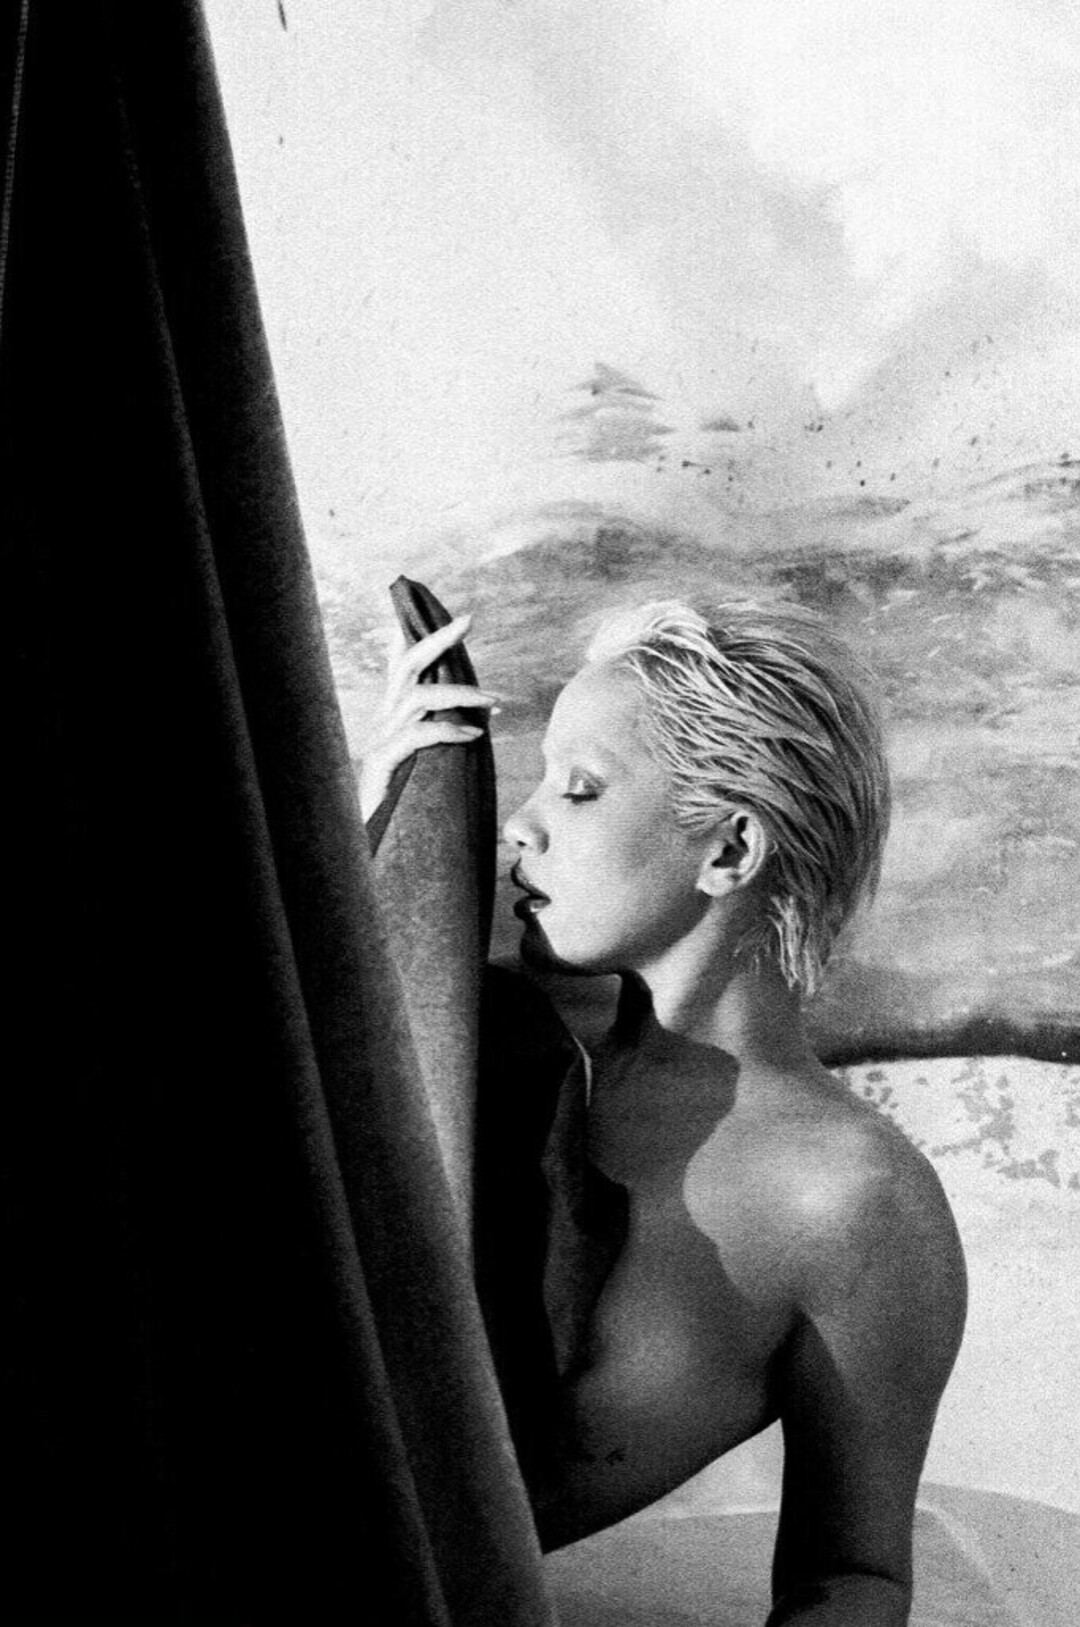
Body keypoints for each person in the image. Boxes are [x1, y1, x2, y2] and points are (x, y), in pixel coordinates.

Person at [360, 597, 967, 1627]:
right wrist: (371, 838)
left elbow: (851, 1573)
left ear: (730, 850)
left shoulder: (856, 1205)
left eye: (580, 788)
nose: (521, 823)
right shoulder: (482, 1044)